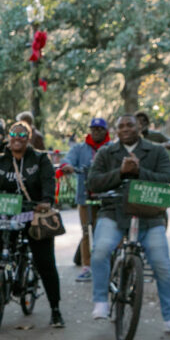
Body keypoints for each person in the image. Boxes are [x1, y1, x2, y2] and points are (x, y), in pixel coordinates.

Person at [88, 114, 170, 335]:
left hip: (149, 216)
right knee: (100, 250)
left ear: (139, 127)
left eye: (130, 125)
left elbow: (168, 180)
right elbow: (93, 182)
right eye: (121, 126)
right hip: (114, 212)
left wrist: (139, 171)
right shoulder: (106, 152)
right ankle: (101, 301)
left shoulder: (156, 151)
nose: (125, 129)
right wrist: (120, 173)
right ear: (115, 130)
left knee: (162, 264)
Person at [0, 121, 65, 328]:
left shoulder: (40, 159)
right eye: (14, 133)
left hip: (33, 217)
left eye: (22, 134)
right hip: (6, 216)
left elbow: (48, 181)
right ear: (8, 137)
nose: (18, 137)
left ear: (29, 137)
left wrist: (46, 201)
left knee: (45, 263)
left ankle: (55, 309)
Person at [60, 118, 110, 282]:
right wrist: (67, 165)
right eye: (93, 129)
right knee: (86, 231)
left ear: (105, 131)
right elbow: (67, 158)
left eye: (99, 129)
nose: (96, 131)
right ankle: (87, 266)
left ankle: (108, 264)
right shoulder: (81, 148)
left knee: (106, 231)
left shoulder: (111, 148)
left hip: (107, 197)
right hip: (85, 196)